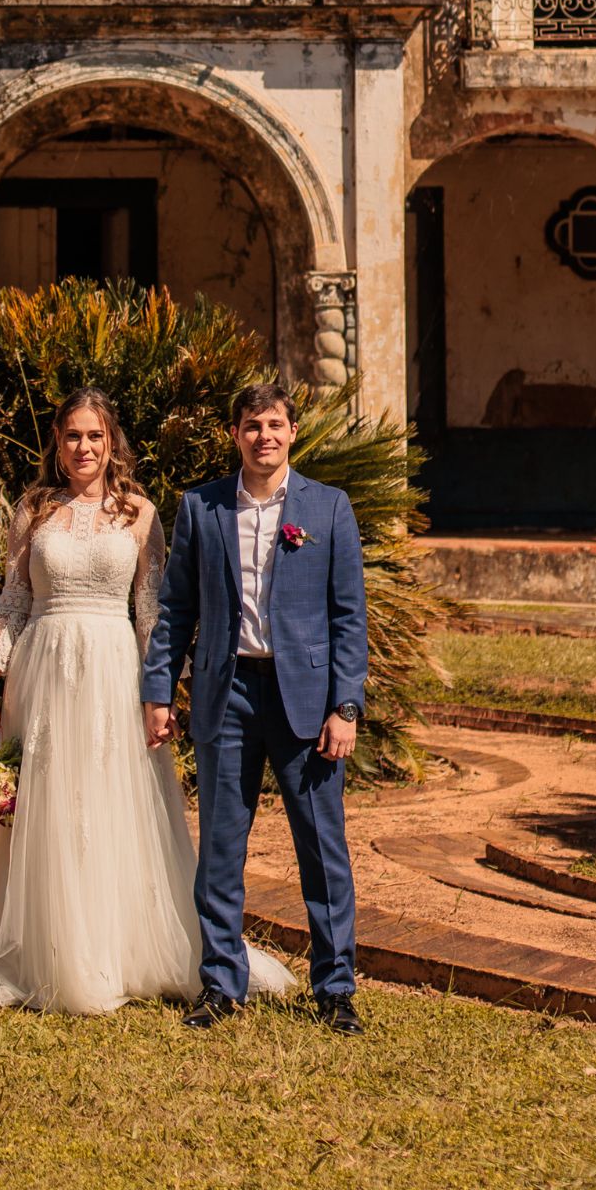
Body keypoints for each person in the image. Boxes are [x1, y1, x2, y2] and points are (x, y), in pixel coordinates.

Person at [0, 387, 295, 1014]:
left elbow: (152, 610)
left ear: (112, 444)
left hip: (114, 671)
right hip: (44, 671)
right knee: (54, 807)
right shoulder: (33, 511)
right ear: (58, 443)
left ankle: (123, 947)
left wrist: (160, 693)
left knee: (113, 802)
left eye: (95, 436)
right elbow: (14, 600)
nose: (84, 447)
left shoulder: (140, 513)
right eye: (73, 436)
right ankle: (54, 951)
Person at [142, 382, 368, 1033]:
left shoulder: (327, 508)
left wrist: (345, 706)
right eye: (251, 425)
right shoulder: (202, 507)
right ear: (234, 433)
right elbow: (175, 609)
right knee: (219, 847)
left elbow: (349, 617)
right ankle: (219, 982)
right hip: (228, 692)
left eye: (273, 424)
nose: (263, 436)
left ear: (292, 431)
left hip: (308, 702)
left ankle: (334, 988)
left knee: (321, 848)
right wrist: (159, 691)